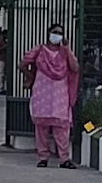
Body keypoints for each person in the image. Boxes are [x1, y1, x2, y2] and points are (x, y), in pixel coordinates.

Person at [20, 23, 79, 168]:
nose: (57, 35)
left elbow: (75, 67)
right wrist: (30, 77)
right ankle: (43, 157)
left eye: (60, 33)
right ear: (48, 33)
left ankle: (64, 159)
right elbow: (22, 64)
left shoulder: (65, 52)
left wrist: (67, 48)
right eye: (55, 32)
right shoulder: (39, 50)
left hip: (60, 94)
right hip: (42, 92)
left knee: (62, 127)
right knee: (41, 127)